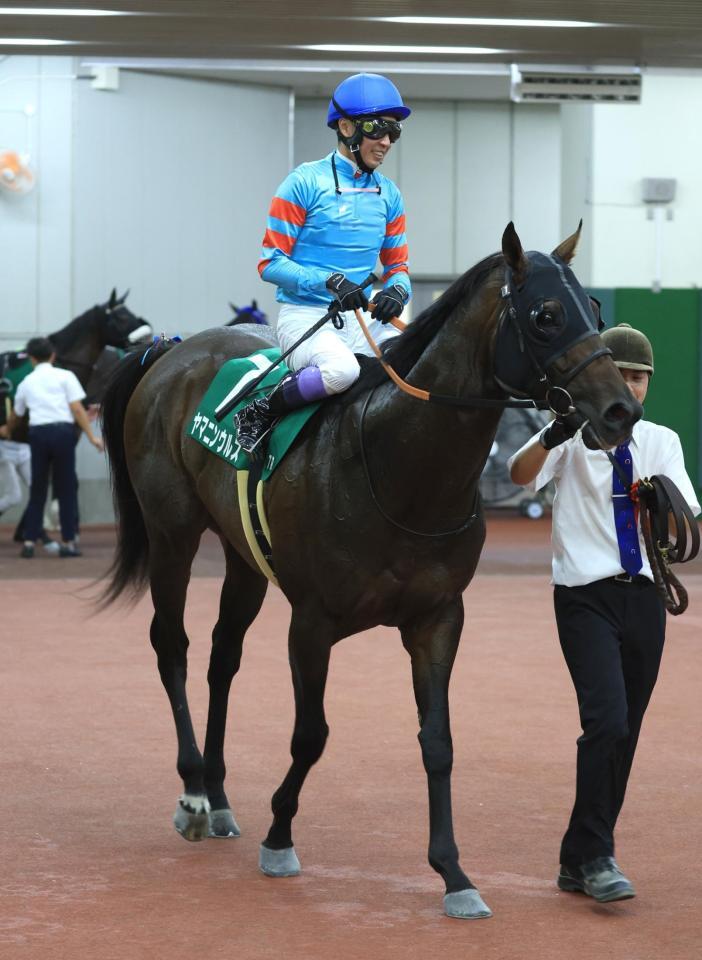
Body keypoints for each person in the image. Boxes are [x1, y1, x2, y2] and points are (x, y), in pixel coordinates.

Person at [507, 323, 700, 903]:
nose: (632, 386)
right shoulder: (569, 436)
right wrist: (554, 432)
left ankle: (581, 855)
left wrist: (661, 503)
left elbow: (684, 527)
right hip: (584, 596)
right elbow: (519, 474)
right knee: (608, 721)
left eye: (642, 377)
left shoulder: (662, 441)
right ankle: (597, 856)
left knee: (626, 732)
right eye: (624, 374)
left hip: (644, 597)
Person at [235, 72, 412, 453]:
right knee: (341, 371)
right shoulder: (302, 183)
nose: (386, 141)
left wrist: (398, 291)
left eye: (393, 131)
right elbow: (270, 264)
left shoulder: (390, 195)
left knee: (418, 359)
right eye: (377, 128)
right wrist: (329, 281)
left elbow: (398, 267)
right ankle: (261, 410)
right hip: (305, 316)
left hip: (362, 319)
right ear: (346, 127)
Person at [8, 336, 104, 558]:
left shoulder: (26, 382)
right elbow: (77, 409)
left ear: (31, 359)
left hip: (38, 434)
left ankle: (29, 542)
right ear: (52, 356)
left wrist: (7, 429)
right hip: (62, 433)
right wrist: (92, 437)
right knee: (65, 488)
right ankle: (69, 542)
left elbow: (17, 414)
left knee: (38, 488)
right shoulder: (65, 376)